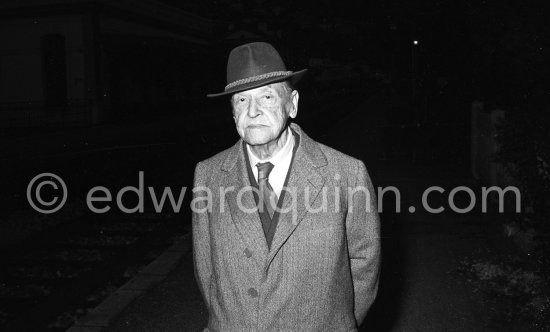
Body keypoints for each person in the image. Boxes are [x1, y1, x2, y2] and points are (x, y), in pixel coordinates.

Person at [192, 42, 380, 331]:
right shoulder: (209, 175)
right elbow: (206, 271)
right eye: (241, 101)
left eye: (267, 96)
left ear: (292, 103)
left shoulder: (346, 173)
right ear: (232, 112)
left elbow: (364, 264)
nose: (252, 112)